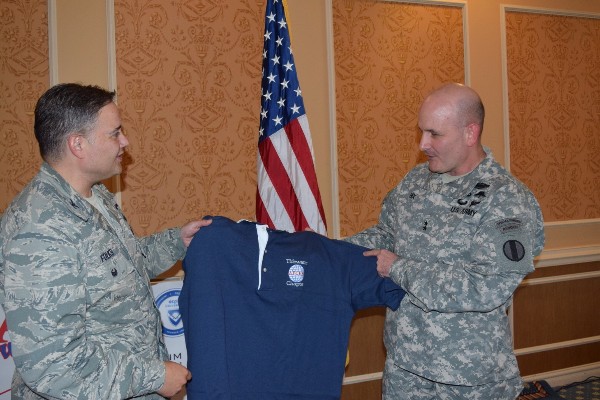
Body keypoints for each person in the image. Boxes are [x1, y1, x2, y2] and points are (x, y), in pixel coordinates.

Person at [0, 83, 212, 399]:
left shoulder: (94, 195)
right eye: (114, 133)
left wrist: (176, 242)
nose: (124, 141)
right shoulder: (40, 232)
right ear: (78, 144)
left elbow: (121, 265)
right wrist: (154, 376)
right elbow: (53, 366)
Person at [346, 83, 545, 399]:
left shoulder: (506, 199)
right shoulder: (416, 180)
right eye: (421, 131)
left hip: (467, 380)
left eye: (435, 134)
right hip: (405, 370)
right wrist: (328, 248)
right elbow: (386, 235)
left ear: (470, 133)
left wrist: (400, 268)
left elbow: (487, 288)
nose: (423, 144)